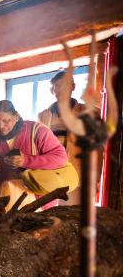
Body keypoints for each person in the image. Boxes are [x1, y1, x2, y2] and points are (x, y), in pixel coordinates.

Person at [0, 100, 68, 211]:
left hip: (40, 201)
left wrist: (26, 160)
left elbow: (61, 158)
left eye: (6, 121)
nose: (1, 126)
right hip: (2, 202)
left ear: (17, 116)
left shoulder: (37, 131)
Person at [37, 70, 102, 205]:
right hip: (52, 176)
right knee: (52, 218)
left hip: (79, 175)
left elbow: (98, 149)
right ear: (51, 90)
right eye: (56, 86)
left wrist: (95, 179)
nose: (59, 89)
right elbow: (39, 147)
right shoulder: (43, 116)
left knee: (76, 217)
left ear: (73, 86)